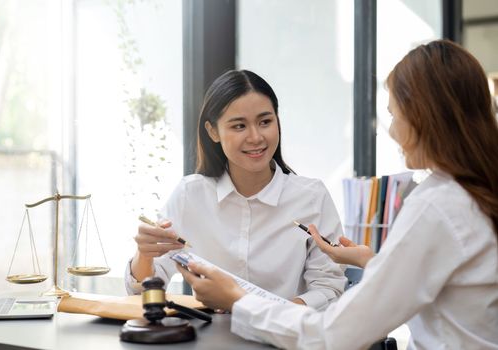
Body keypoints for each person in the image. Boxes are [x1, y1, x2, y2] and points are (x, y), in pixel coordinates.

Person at [177, 40, 498, 349]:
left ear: (424, 117)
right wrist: (374, 263)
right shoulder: (476, 192)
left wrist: (238, 298)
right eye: (238, 126)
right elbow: (456, 284)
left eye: (393, 115)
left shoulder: (436, 205)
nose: (393, 132)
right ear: (213, 131)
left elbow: (333, 337)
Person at [125, 69, 346, 310]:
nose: (255, 137)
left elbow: (329, 290)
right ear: (213, 132)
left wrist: (271, 316)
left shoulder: (311, 197)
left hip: (285, 340)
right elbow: (141, 290)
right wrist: (145, 254)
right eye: (239, 126)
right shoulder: (190, 195)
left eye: (265, 122)